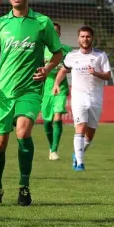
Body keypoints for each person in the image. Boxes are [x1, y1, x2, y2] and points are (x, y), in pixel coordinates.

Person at [0, 0, 63, 206]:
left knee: (24, 133)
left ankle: (24, 187)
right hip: (3, 92)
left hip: (30, 90)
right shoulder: (0, 24)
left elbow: (57, 53)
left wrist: (47, 69)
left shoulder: (43, 23)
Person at [53, 25, 111, 171]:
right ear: (78, 39)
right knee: (80, 126)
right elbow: (63, 70)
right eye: (82, 36)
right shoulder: (72, 56)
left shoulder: (100, 56)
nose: (85, 39)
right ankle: (79, 163)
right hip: (79, 97)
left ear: (92, 38)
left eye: (88, 36)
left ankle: (77, 154)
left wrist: (96, 73)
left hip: (95, 98)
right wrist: (56, 84)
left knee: (90, 134)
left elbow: (108, 75)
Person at [42, 23, 72, 160]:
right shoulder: (41, 50)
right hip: (45, 88)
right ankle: (51, 146)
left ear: (59, 34)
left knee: (58, 117)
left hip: (61, 86)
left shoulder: (66, 50)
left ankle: (54, 150)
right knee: (47, 121)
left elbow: (69, 68)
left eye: (56, 32)